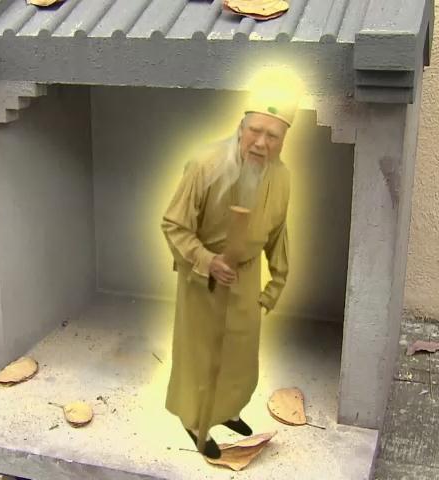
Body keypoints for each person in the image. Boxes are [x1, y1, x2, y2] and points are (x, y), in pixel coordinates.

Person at [161, 90, 294, 459]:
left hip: (246, 277)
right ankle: (196, 420)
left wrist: (275, 285)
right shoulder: (204, 165)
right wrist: (207, 260)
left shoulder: (282, 177)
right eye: (255, 130)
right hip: (202, 278)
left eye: (273, 136)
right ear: (241, 127)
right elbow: (174, 224)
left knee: (240, 353)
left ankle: (228, 410)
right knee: (201, 352)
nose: (261, 143)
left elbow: (279, 233)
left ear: (283, 141)